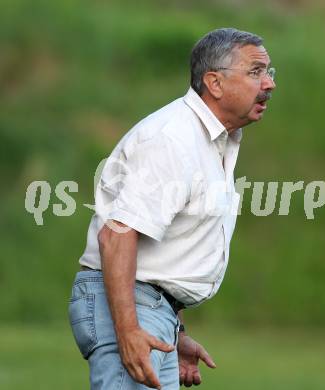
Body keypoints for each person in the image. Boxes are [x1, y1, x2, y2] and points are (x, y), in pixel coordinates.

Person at [68, 27, 276, 389]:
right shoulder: (172, 140)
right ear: (214, 82)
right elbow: (116, 237)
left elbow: (166, 257)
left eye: (270, 72)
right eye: (256, 72)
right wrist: (130, 331)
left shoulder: (210, 141)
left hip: (152, 311)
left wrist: (173, 331)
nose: (269, 84)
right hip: (129, 308)